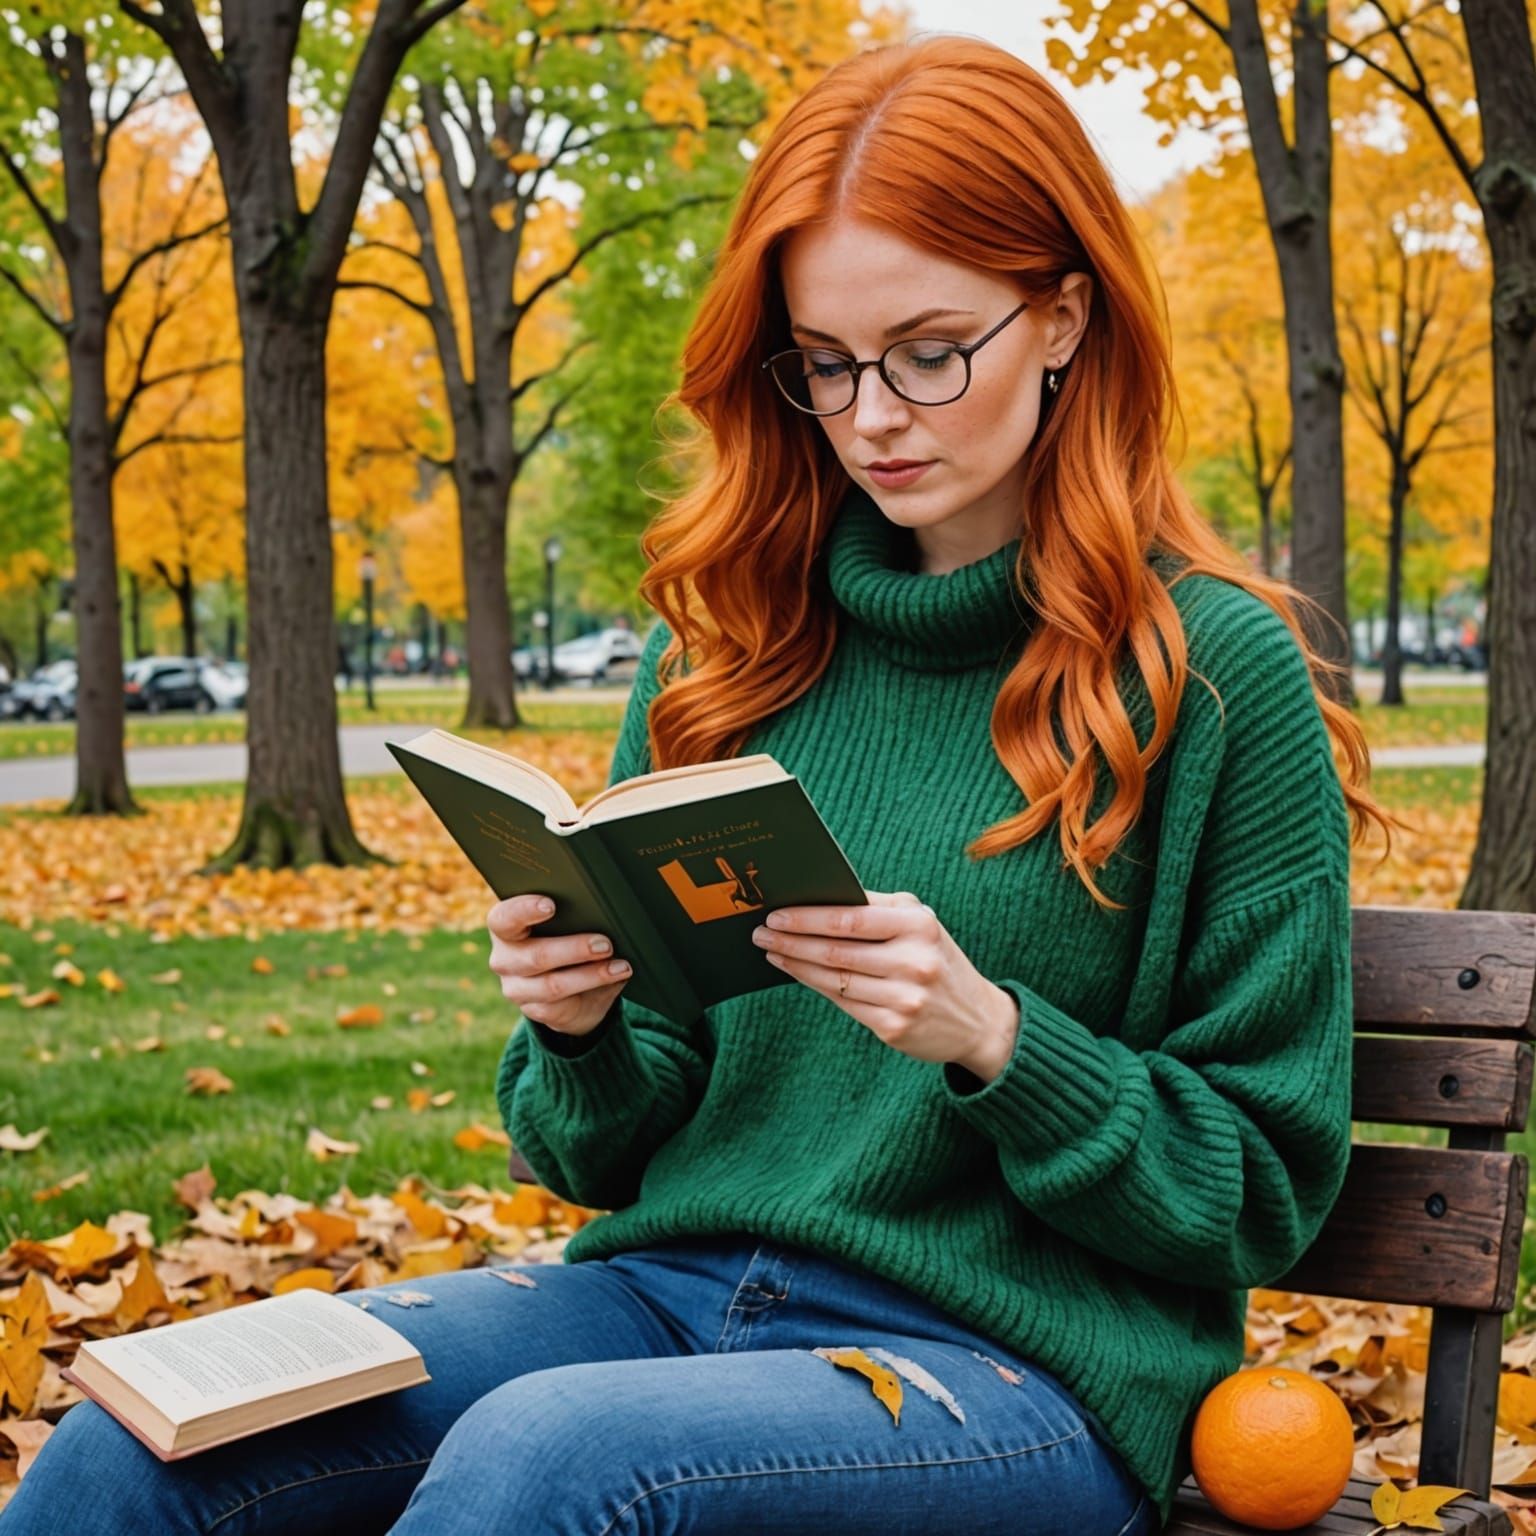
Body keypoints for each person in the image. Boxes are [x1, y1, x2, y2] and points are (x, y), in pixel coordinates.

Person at [6, 33, 1396, 1536]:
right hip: (669, 1297)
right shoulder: (728, 651)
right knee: (135, 1441)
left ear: (1062, 316)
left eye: (931, 351)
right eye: (827, 363)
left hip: (1012, 1371)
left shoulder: (1210, 671)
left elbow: (1262, 1189)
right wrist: (580, 1026)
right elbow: (597, 1156)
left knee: (551, 1459)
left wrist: (994, 1038)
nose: (873, 415)